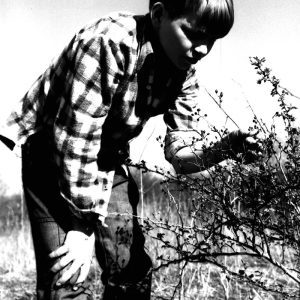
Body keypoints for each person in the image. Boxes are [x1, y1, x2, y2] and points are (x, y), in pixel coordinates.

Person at [0, 0, 259, 299]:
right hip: (53, 155)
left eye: (211, 40)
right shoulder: (108, 41)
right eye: (192, 33)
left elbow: (180, 154)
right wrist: (80, 225)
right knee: (66, 275)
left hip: (107, 159)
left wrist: (224, 148)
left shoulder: (184, 72)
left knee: (131, 270)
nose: (202, 49)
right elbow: (77, 137)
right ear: (159, 14)